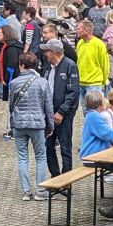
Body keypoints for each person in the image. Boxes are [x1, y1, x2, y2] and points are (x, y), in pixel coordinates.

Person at [6, 52, 51, 201]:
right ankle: (40, 191)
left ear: (22, 65)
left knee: (22, 158)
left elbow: (11, 105)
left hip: (19, 124)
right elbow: (48, 107)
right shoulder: (43, 82)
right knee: (40, 157)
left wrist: (12, 121)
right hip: (37, 124)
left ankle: (26, 191)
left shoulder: (14, 83)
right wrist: (50, 126)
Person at [40, 39, 81, 176]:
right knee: (48, 146)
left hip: (64, 115)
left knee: (65, 147)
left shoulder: (70, 66)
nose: (45, 54)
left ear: (53, 52)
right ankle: (55, 176)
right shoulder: (47, 67)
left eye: (47, 51)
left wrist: (61, 112)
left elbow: (73, 92)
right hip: (48, 113)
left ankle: (66, 179)